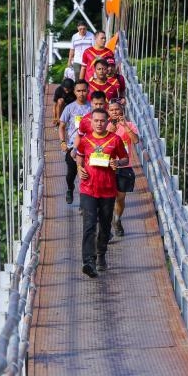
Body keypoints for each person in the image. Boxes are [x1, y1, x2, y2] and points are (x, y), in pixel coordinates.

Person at [76, 108, 129, 278]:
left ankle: (101, 255)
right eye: (96, 120)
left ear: (107, 122)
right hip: (88, 189)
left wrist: (117, 163)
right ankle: (88, 262)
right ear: (91, 122)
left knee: (105, 227)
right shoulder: (85, 140)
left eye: (102, 121)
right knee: (89, 225)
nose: (99, 124)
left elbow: (125, 158)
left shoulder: (115, 139)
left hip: (107, 190)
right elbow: (79, 155)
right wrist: (79, 168)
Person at [106, 101, 139, 237]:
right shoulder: (104, 124)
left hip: (124, 166)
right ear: (108, 111)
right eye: (112, 110)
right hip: (108, 166)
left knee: (120, 198)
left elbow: (136, 140)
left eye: (117, 109)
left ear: (122, 110)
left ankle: (117, 220)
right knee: (107, 199)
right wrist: (111, 127)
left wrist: (125, 126)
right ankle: (106, 228)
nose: (114, 112)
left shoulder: (129, 125)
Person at [58, 80, 91, 204]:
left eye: (84, 90)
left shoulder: (92, 108)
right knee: (71, 173)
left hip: (89, 147)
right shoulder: (69, 108)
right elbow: (61, 126)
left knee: (87, 175)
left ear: (88, 91)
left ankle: (84, 202)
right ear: (74, 92)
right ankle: (70, 188)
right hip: (73, 146)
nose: (81, 93)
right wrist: (62, 142)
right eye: (78, 91)